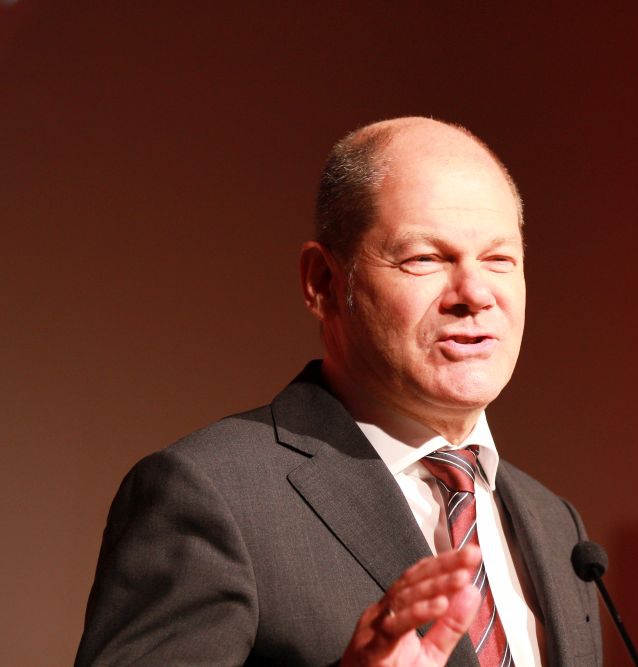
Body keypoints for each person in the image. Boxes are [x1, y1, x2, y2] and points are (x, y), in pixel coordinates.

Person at [76, 117, 601, 666]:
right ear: (323, 282)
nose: (474, 293)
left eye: (499, 259)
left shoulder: (557, 526)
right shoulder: (210, 494)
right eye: (424, 258)